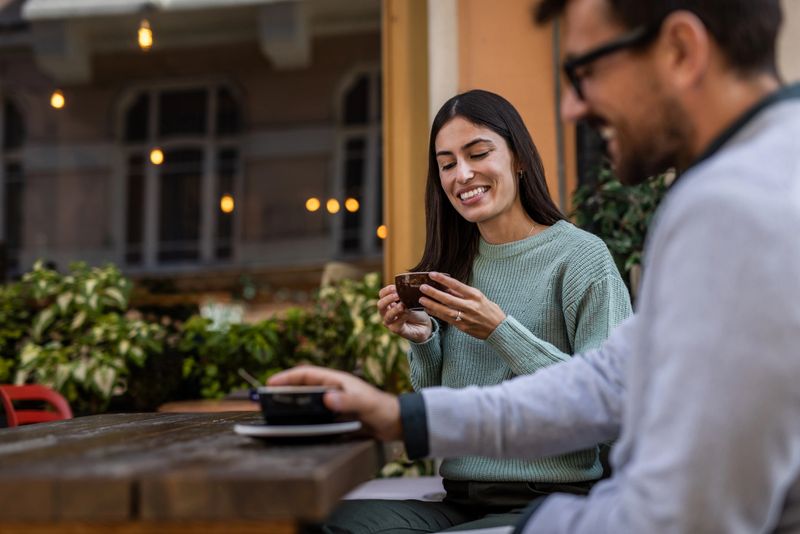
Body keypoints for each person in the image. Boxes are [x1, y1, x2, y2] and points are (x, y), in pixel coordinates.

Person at [273, 0, 800, 532]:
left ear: (682, 49)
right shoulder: (737, 185)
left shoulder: (742, 206)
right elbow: (608, 382)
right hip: (465, 494)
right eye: (447, 163)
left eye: (585, 71)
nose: (571, 108)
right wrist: (402, 413)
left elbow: (690, 511)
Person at [341, 90, 631, 531]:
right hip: (460, 496)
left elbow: (614, 405)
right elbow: (439, 403)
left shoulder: (581, 258)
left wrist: (499, 329)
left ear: (518, 158)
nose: (463, 174)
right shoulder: (453, 263)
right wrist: (425, 342)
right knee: (326, 523)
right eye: (447, 163)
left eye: (478, 153)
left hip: (552, 500)